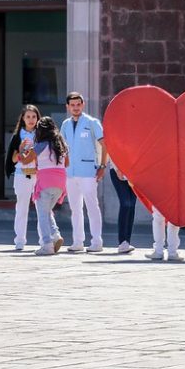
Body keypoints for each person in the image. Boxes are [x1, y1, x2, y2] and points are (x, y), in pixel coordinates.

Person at [60, 92, 107, 252]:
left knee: (92, 206)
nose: (75, 108)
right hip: (70, 173)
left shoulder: (92, 122)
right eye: (72, 105)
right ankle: (78, 241)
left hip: (88, 172)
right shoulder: (65, 124)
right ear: (68, 107)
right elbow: (62, 148)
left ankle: (96, 241)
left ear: (83, 105)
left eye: (78, 105)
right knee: (75, 208)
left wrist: (102, 166)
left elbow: (104, 144)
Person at [24, 116, 68, 256]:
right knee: (47, 211)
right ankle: (55, 235)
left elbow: (26, 160)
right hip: (60, 183)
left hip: (45, 183)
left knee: (42, 214)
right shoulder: (62, 144)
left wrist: (21, 150)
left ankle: (47, 244)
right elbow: (66, 163)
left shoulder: (41, 144)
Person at [5, 105, 42, 251]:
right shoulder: (17, 136)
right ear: (23, 118)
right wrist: (21, 150)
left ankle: (44, 239)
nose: (31, 120)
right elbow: (13, 159)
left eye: (34, 116)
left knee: (42, 208)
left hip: (39, 175)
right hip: (22, 174)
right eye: (28, 117)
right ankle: (20, 240)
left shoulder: (42, 135)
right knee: (21, 207)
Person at [109, 159, 136, 254]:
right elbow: (112, 149)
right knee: (126, 204)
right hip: (118, 170)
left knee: (132, 205)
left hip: (133, 171)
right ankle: (122, 242)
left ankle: (126, 242)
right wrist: (117, 169)